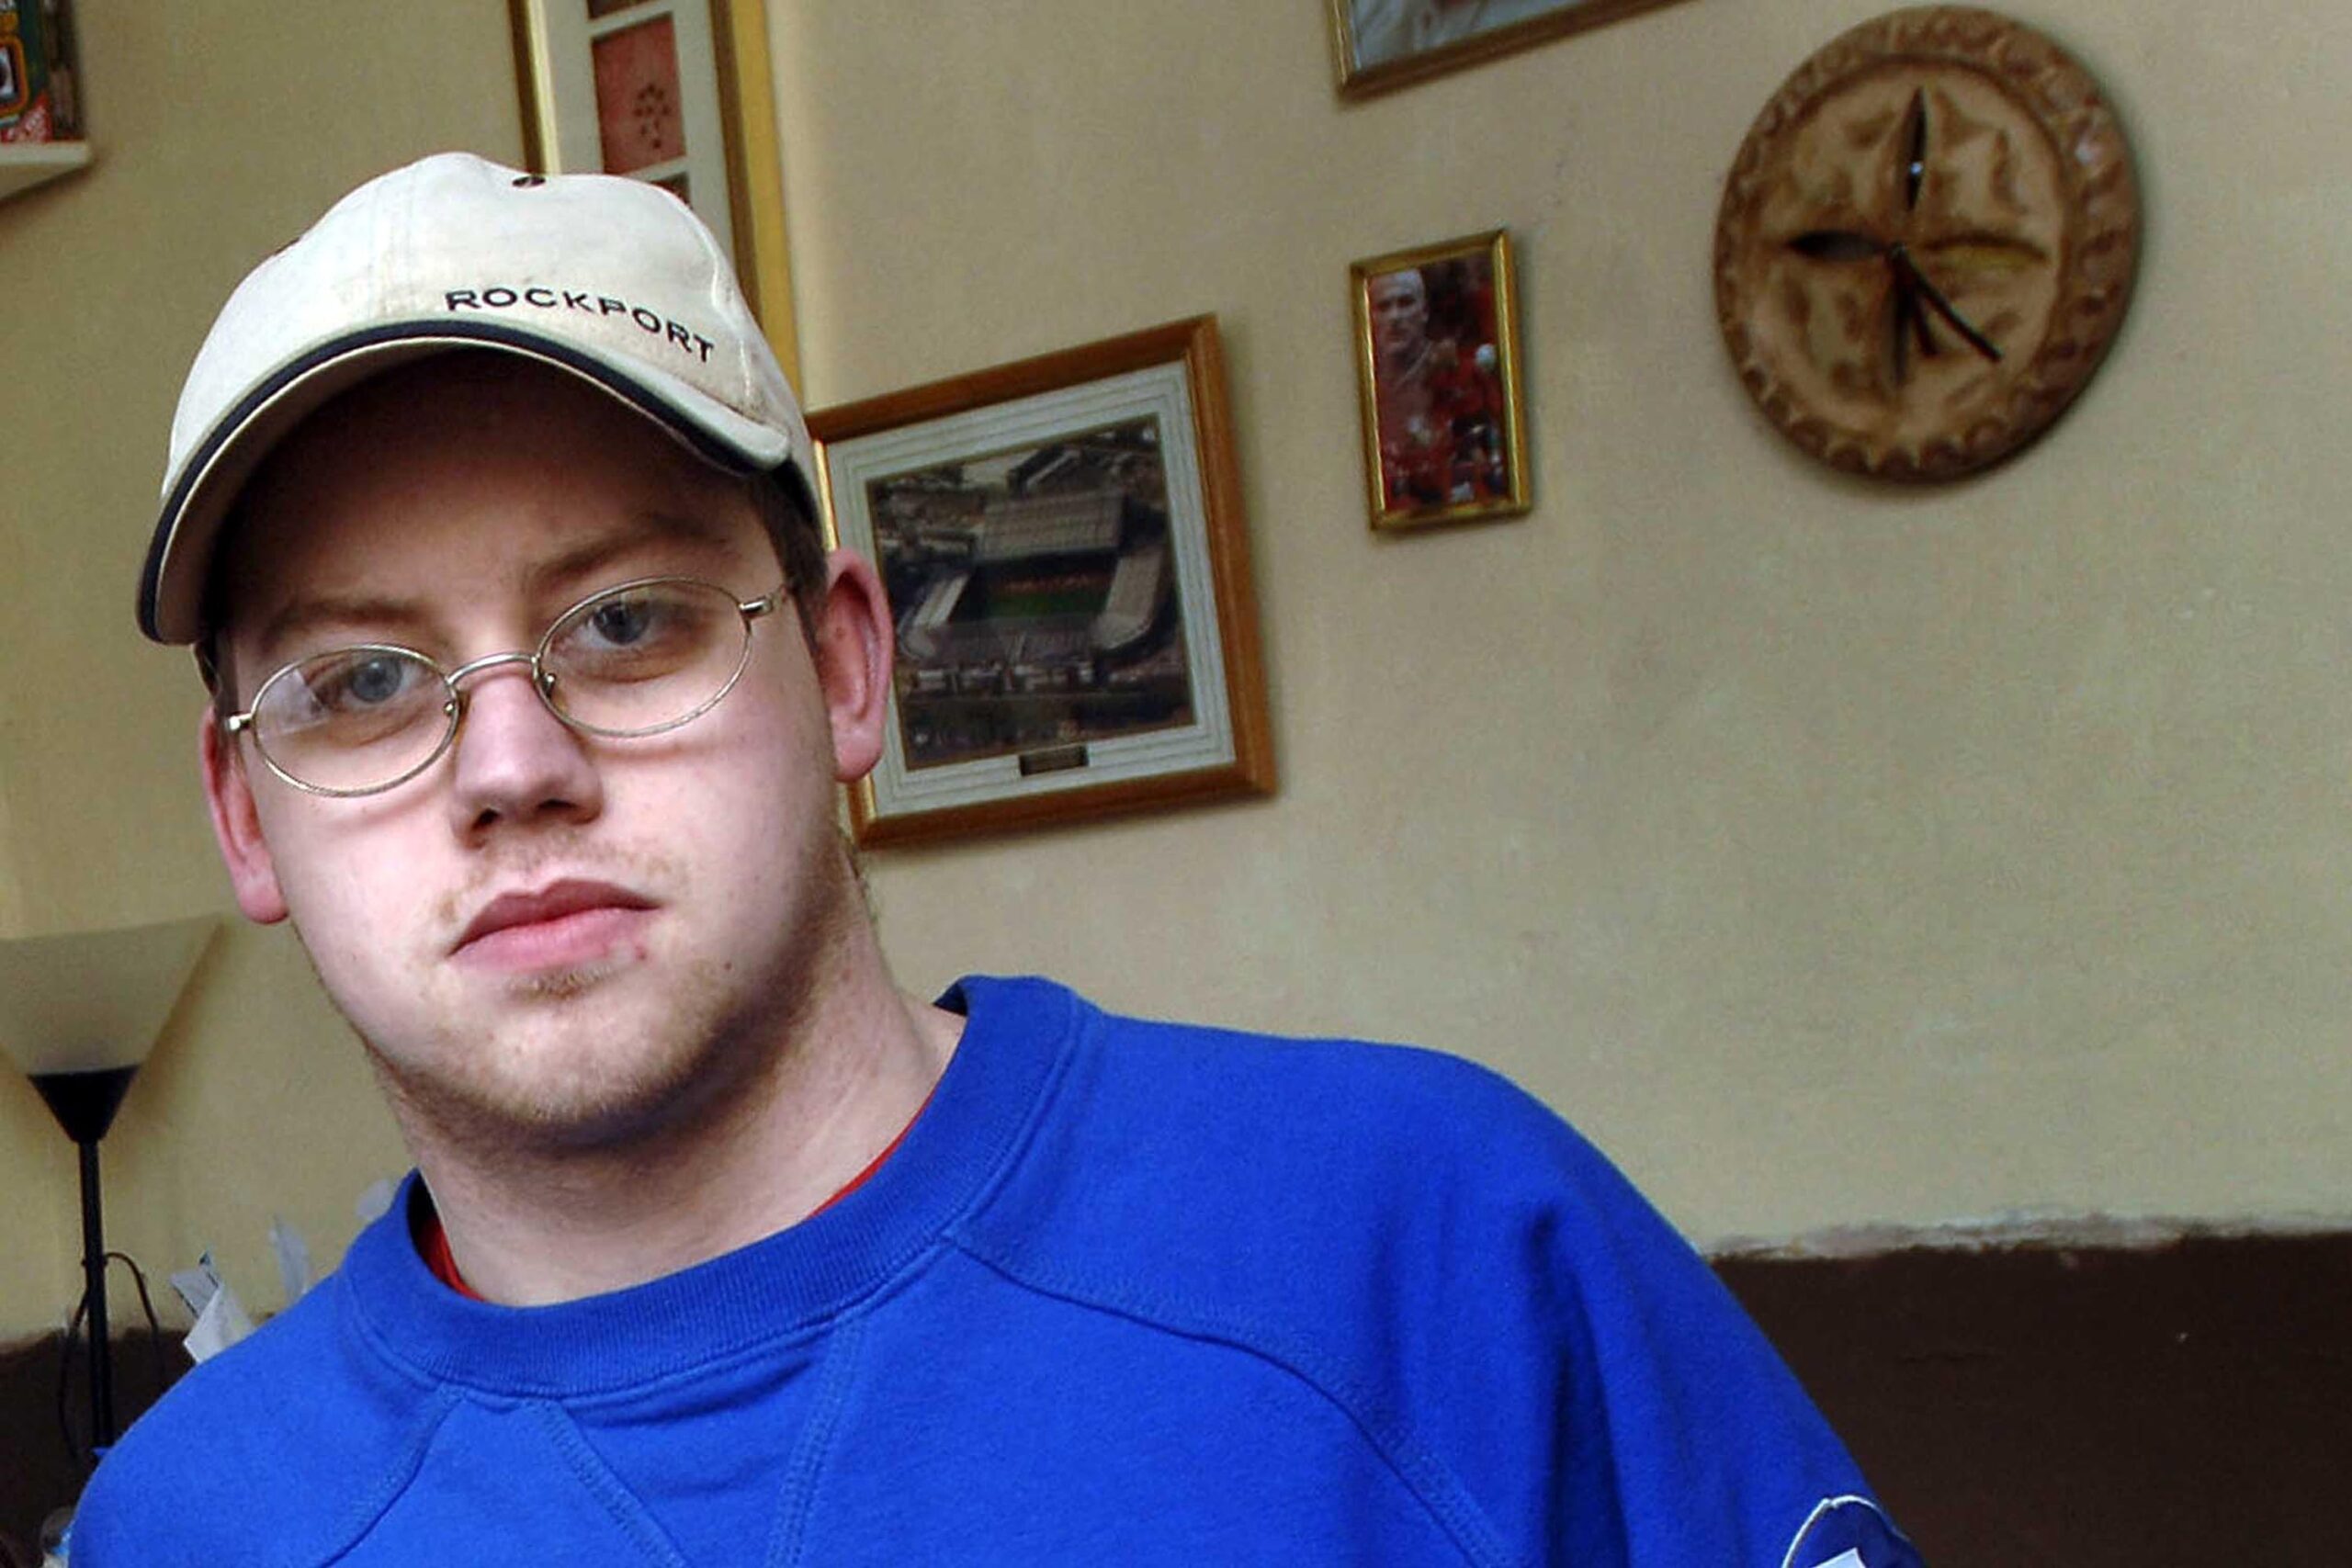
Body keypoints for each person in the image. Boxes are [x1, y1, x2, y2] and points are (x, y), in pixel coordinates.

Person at [69, 153, 1919, 1565]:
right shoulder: (190, 1520)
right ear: (248, 812)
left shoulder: (1421, 1247)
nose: (513, 763)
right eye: (364, 681)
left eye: (626, 622)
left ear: (848, 665)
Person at [1369, 265, 1510, 511]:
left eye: (1405, 303)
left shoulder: (1463, 375)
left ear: (1423, 312)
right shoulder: (1368, 393)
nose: (1395, 317)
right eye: (1383, 307)